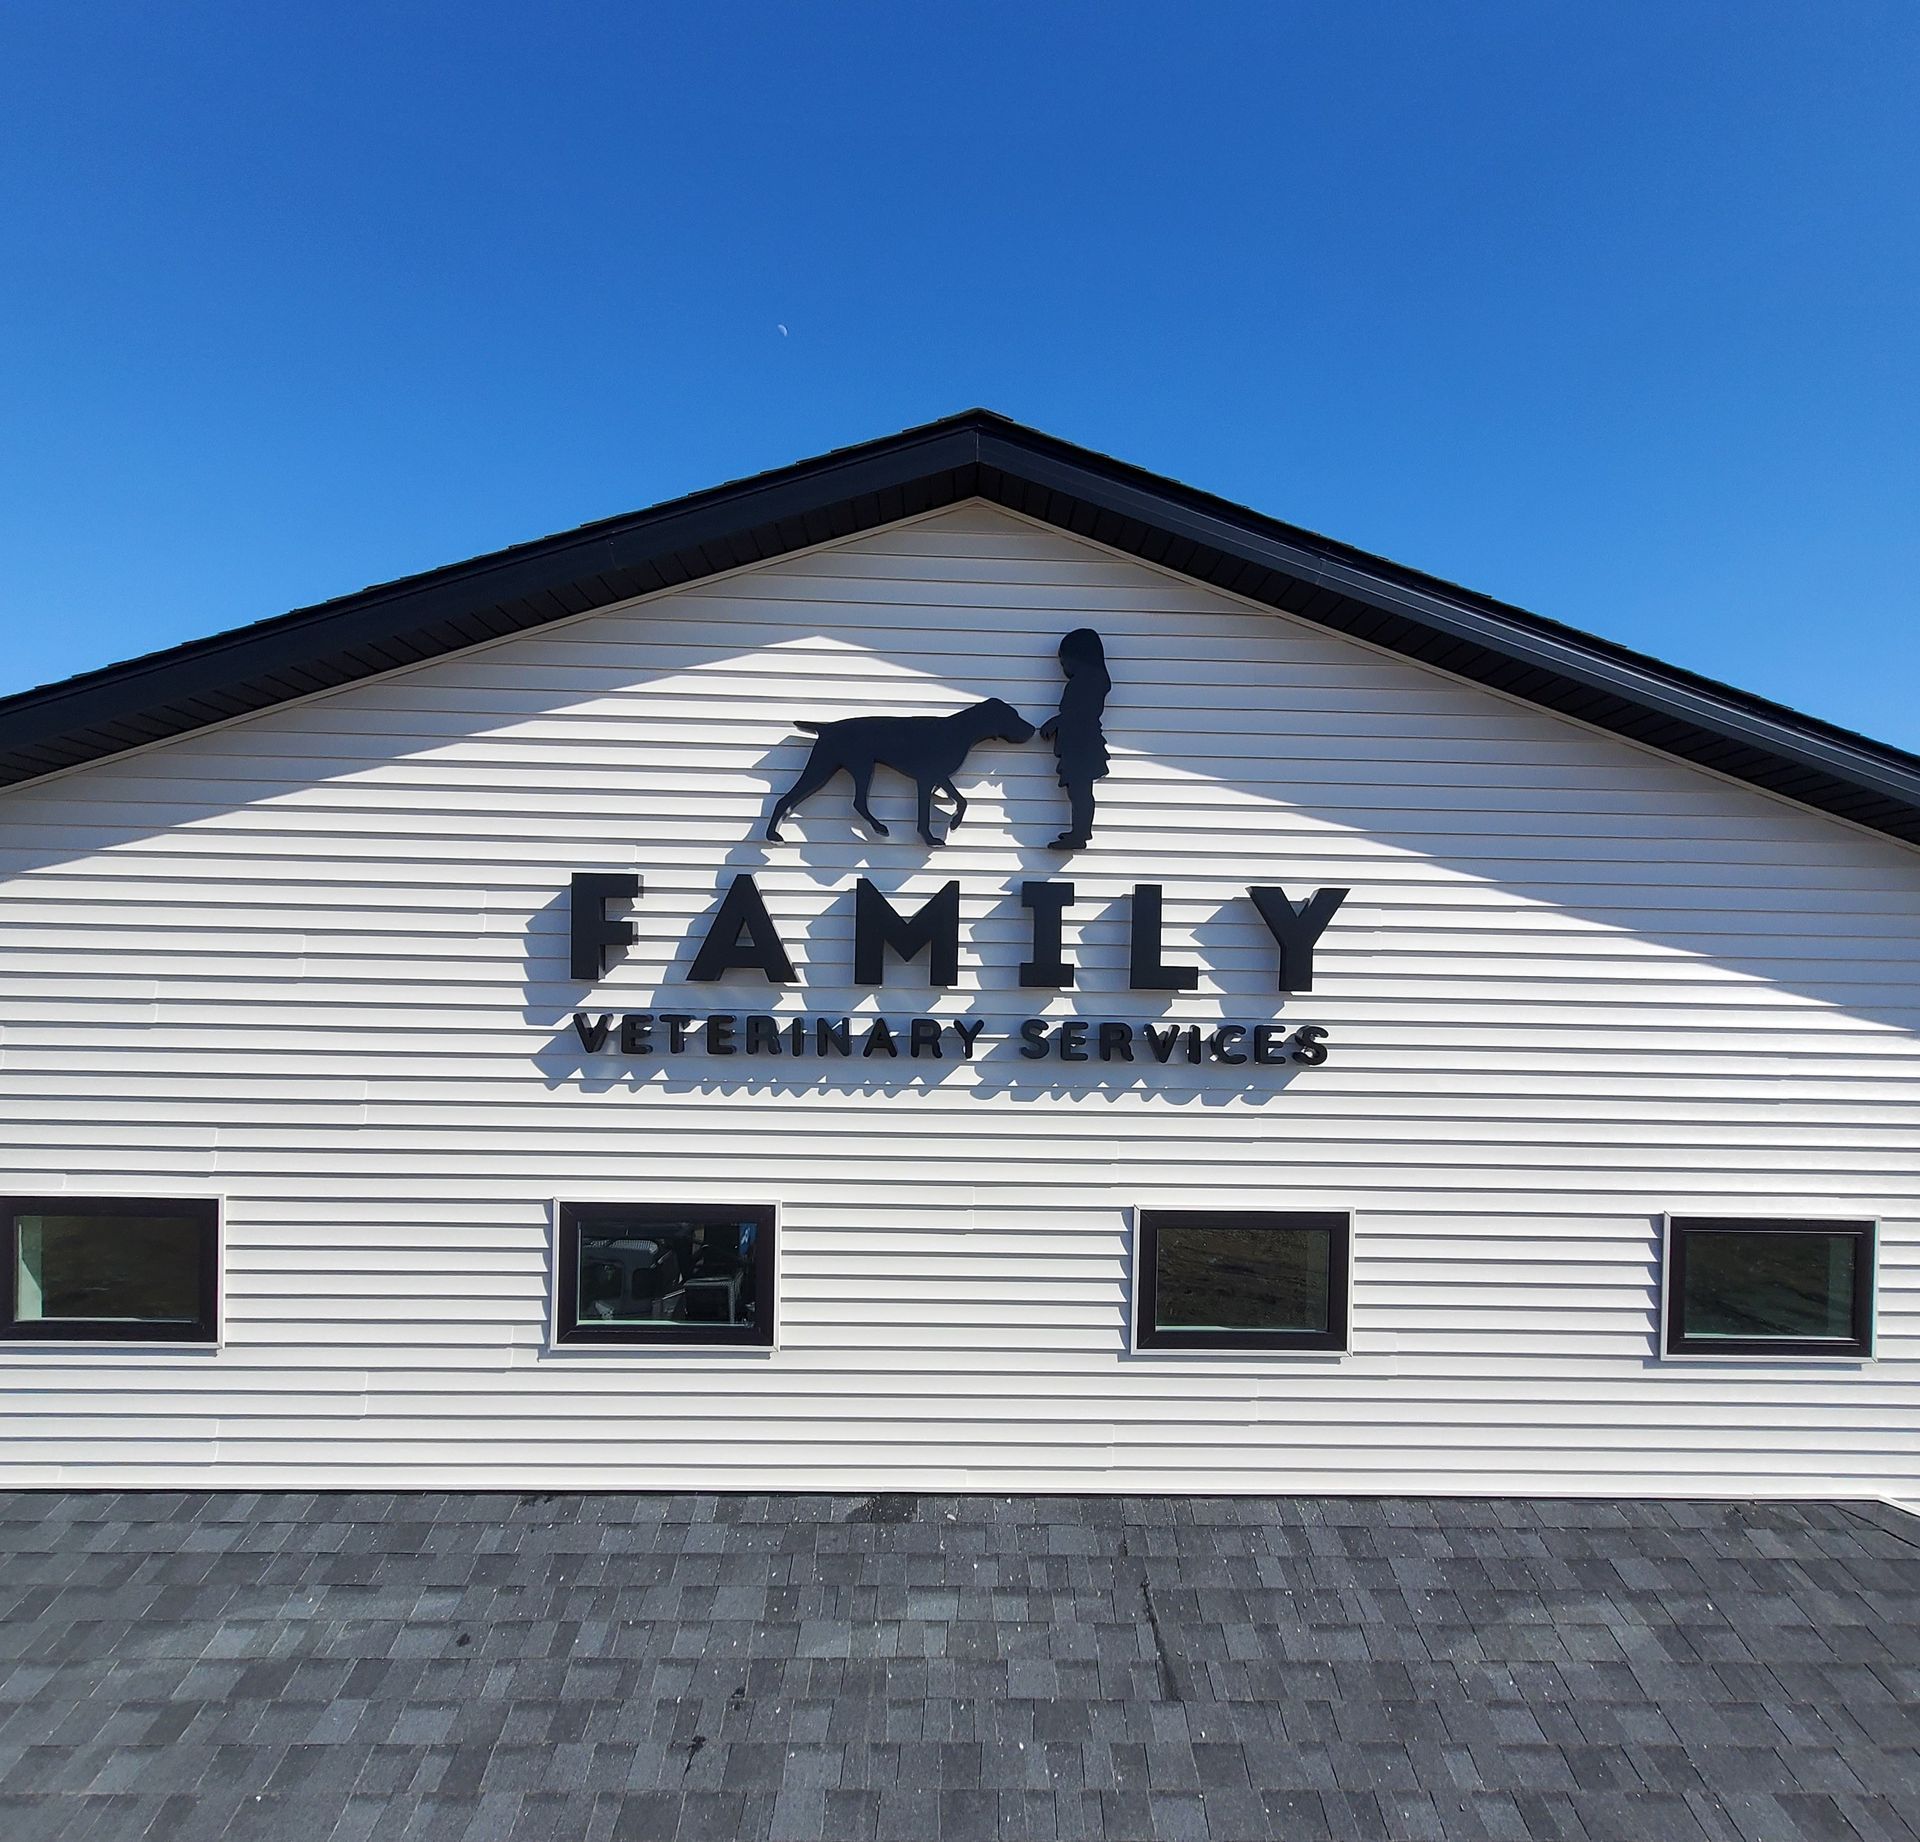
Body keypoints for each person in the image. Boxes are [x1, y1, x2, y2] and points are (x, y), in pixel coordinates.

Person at [1039, 628, 1110, 849]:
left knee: (1080, 789)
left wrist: (1056, 722)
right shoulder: (1086, 680)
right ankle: (1078, 831)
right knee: (1077, 790)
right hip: (1076, 742)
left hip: (1083, 743)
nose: (1064, 668)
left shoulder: (1091, 680)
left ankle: (1080, 833)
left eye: (1065, 661)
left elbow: (1083, 713)